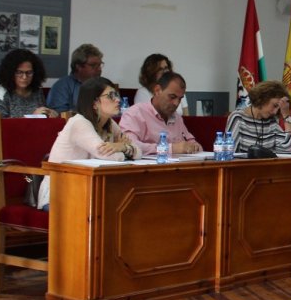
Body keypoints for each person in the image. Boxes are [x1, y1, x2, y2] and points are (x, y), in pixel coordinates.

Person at [37, 77, 139, 210]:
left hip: (86, 190)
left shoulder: (110, 123)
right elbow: (106, 155)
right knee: (109, 209)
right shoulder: (79, 122)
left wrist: (121, 147)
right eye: (111, 96)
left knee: (124, 206)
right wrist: (125, 150)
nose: (118, 100)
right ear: (94, 103)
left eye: (117, 95)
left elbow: (138, 150)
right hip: (60, 193)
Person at [119, 71, 201, 156]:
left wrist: (193, 147)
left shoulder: (176, 117)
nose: (176, 103)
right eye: (172, 97)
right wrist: (171, 148)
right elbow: (129, 145)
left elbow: (193, 143)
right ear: (157, 90)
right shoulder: (134, 113)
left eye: (180, 99)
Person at [226, 80, 291, 154]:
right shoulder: (238, 118)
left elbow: (290, 147)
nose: (275, 112)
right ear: (264, 98)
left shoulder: (271, 122)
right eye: (275, 105)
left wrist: (286, 116)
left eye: (278, 109)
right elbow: (229, 152)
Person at [0, 49, 57, 118]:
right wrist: (32, 117)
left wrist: (49, 114)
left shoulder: (37, 90)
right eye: (19, 72)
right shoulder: (0, 91)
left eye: (29, 72)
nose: (24, 77)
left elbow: (41, 117)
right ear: (9, 72)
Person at [46, 43, 104, 113]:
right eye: (93, 65)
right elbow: (59, 116)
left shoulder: (103, 86)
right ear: (78, 66)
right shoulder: (61, 87)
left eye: (100, 65)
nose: (99, 69)